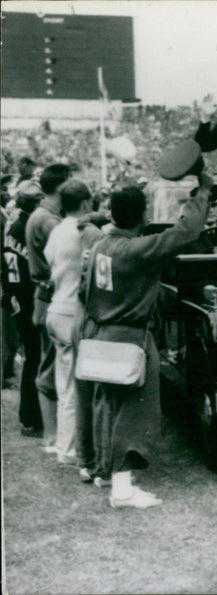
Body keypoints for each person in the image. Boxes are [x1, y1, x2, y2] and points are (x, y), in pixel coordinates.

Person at [81, 179, 213, 508]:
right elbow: (186, 233)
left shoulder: (100, 244)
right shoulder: (136, 250)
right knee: (136, 412)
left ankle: (105, 471)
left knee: (107, 407)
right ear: (141, 215)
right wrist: (203, 195)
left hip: (101, 332)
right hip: (131, 337)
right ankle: (122, 489)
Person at [44, 180, 104, 468]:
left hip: (56, 309)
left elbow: (47, 263)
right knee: (76, 390)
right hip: (72, 313)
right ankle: (70, 450)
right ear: (84, 204)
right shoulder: (84, 232)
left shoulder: (56, 229)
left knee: (64, 384)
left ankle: (64, 445)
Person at [25, 164, 72, 453]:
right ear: (62, 187)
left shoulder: (44, 215)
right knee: (50, 368)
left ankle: (53, 435)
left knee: (50, 364)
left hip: (45, 297)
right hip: (51, 296)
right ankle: (52, 437)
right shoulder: (49, 221)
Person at [2, 180, 44, 436]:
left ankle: (30, 415)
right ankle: (30, 416)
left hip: (15, 296)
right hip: (27, 299)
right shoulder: (26, 227)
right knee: (34, 359)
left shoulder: (12, 225)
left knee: (32, 357)